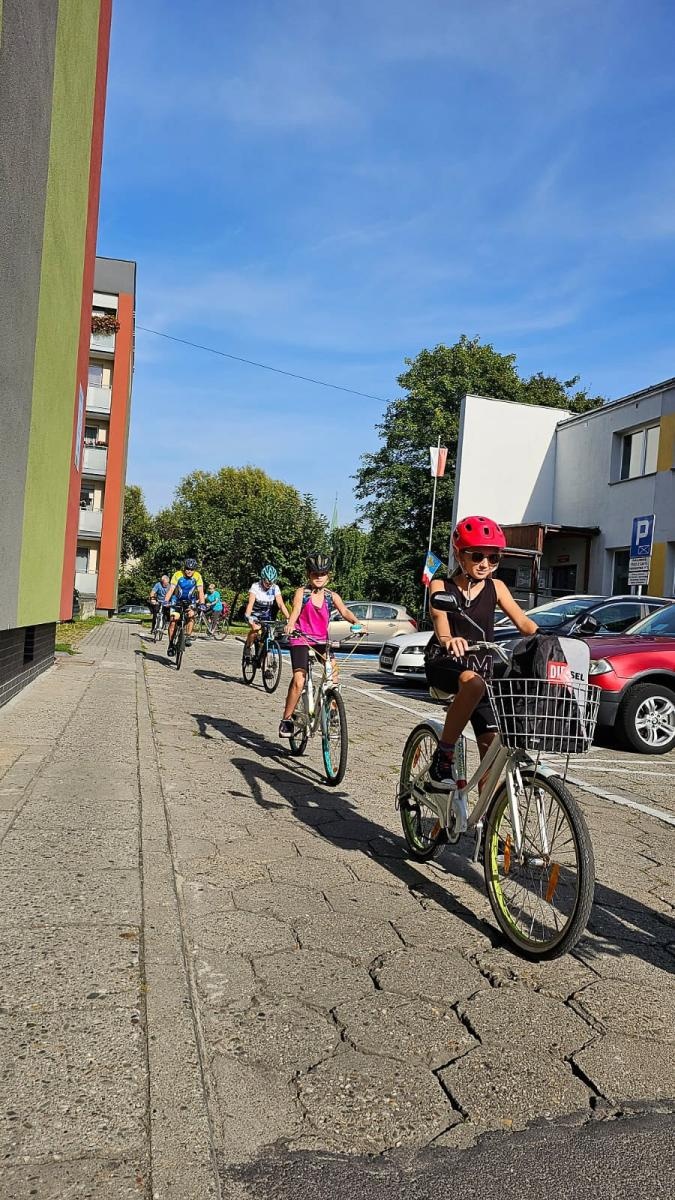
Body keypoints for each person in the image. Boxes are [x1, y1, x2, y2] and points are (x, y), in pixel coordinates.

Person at [424, 515, 537, 790]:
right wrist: (449, 639)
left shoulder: (496, 587)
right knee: (471, 681)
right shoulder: (441, 586)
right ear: (459, 555)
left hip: (481, 670)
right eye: (477, 556)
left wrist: (549, 640)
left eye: (493, 558)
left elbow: (523, 623)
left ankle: (486, 823)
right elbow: (440, 620)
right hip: (445, 661)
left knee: (492, 748)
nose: (485, 564)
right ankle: (444, 755)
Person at [279, 552, 363, 738]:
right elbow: (296, 611)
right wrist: (291, 624)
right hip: (301, 638)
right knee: (299, 679)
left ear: (328, 576)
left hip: (321, 641)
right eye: (315, 574)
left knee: (333, 672)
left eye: (322, 574)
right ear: (308, 575)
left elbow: (345, 611)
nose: (319, 577)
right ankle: (286, 719)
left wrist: (357, 623)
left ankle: (332, 712)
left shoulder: (331, 596)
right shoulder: (303, 593)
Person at [243, 565, 290, 659]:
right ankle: (248, 647)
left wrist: (289, 618)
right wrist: (248, 617)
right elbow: (250, 603)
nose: (269, 584)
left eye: (271, 582)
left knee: (269, 635)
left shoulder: (275, 588)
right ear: (262, 579)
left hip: (266, 615)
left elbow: (280, 604)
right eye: (267, 582)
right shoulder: (255, 586)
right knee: (256, 629)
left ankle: (265, 661)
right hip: (254, 614)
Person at [164, 558, 205, 656]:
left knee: (191, 615)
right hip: (177, 600)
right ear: (184, 568)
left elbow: (200, 591)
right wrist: (166, 601)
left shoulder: (198, 576)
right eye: (187, 568)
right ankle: (170, 644)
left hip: (190, 601)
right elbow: (171, 590)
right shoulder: (178, 574)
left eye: (191, 569)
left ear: (194, 569)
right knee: (174, 619)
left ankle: (188, 636)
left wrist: (202, 603)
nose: (189, 571)